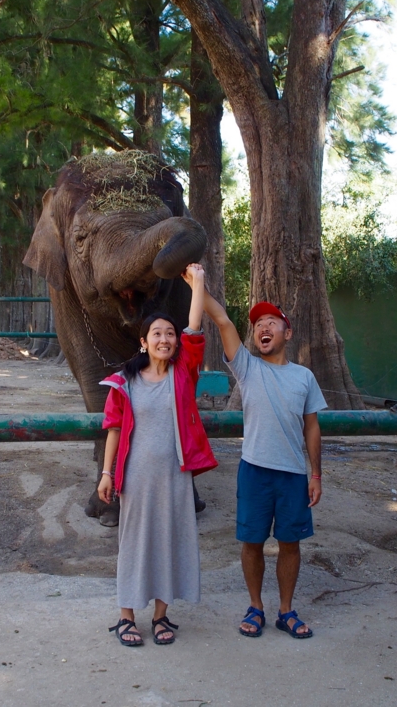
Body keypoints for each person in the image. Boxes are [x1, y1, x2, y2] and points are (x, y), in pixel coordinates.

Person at [98, 263, 218, 647]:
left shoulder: (184, 372)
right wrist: (106, 473)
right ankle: (126, 617)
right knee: (133, 543)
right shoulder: (123, 381)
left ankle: (163, 616)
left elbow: (194, 326)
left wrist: (198, 284)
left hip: (175, 475)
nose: (165, 338)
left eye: (169, 333)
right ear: (144, 342)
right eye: (157, 333)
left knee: (172, 540)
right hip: (135, 477)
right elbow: (114, 430)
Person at [203, 293, 327, 639]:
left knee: (290, 543)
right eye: (258, 325)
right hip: (254, 470)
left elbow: (312, 426)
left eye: (271, 322)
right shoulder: (246, 367)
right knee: (252, 541)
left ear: (287, 333)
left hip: (292, 475)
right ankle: (255, 607)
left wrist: (316, 474)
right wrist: (197, 282)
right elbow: (223, 321)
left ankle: (286, 611)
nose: (263, 327)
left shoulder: (304, 377)